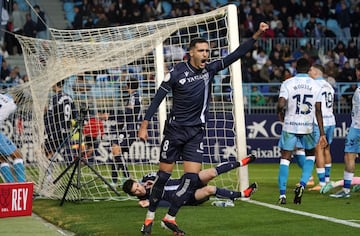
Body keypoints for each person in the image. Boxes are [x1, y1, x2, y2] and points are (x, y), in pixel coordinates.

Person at [137, 22, 269, 236]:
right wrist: (144, 125)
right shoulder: (176, 73)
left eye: (208, 50)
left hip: (196, 133)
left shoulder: (210, 69)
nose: (206, 54)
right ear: (191, 53)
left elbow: (237, 54)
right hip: (174, 132)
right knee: (162, 177)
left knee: (191, 181)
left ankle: (170, 217)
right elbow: (157, 99)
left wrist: (257, 34)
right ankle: (149, 219)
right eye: (201, 50)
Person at [276, 58, 327, 205]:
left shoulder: (288, 83)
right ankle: (302, 184)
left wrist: (279, 112)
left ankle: (282, 195)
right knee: (310, 156)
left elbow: (281, 103)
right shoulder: (316, 85)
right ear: (309, 68)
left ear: (296, 68)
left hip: (290, 125)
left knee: (285, 158)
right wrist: (322, 133)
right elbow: (318, 110)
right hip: (308, 127)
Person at [122, 154, 257, 208]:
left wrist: (156, 182)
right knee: (209, 189)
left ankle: (241, 162)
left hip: (185, 182)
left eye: (137, 186)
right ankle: (244, 194)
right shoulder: (145, 201)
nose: (140, 189)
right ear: (134, 195)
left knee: (210, 173)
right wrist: (152, 202)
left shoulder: (147, 179)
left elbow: (165, 175)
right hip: (187, 197)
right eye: (136, 191)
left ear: (137, 182)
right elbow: (167, 204)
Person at [329, 63, 360, 198]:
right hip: (356, 125)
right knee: (349, 156)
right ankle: (346, 190)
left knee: (349, 156)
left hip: (357, 127)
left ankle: (346, 190)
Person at [307, 64, 335, 191]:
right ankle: (327, 180)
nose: (309, 71)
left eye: (311, 70)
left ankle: (322, 183)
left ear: (317, 72)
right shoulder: (329, 85)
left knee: (318, 150)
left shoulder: (315, 85)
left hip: (320, 122)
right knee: (327, 150)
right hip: (331, 119)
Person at [109, 77, 142, 186]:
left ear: (128, 86)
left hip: (129, 128)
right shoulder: (136, 96)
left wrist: (112, 116)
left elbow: (129, 112)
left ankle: (127, 177)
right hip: (129, 128)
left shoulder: (134, 97)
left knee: (115, 148)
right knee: (116, 152)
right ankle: (114, 180)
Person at [44, 80, 78, 162]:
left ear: (55, 84)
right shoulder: (70, 98)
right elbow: (74, 115)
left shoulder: (54, 98)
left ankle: (49, 172)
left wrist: (48, 129)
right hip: (66, 130)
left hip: (56, 129)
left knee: (47, 150)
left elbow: (50, 114)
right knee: (63, 150)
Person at [0, 90, 26, 183]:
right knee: (17, 155)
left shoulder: (2, 95)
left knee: (2, 159)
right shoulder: (13, 106)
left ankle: (10, 184)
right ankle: (21, 183)